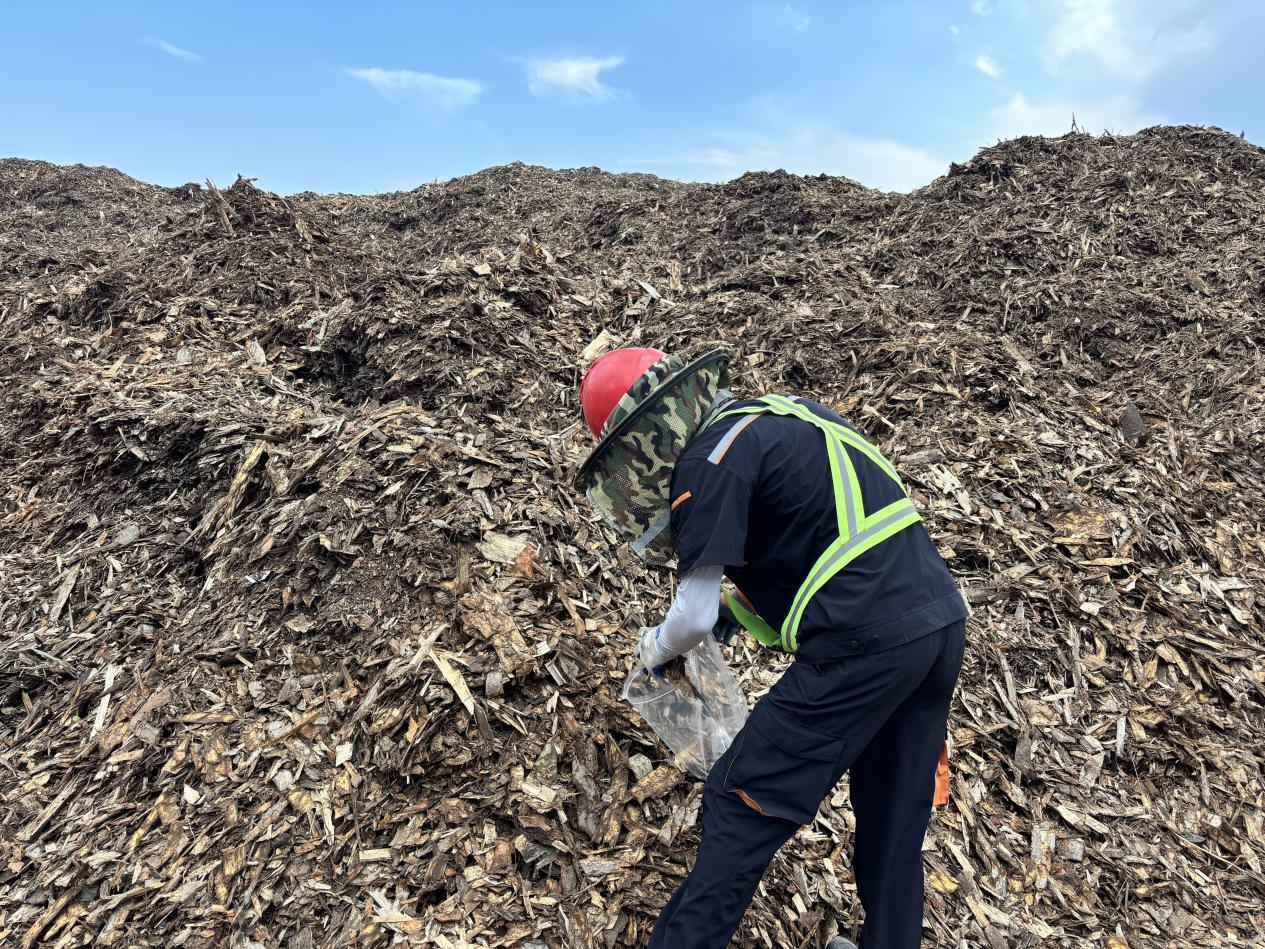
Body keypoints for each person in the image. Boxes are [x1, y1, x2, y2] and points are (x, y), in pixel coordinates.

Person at [575, 347, 966, 949]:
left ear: (642, 439)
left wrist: (653, 647)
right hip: (938, 628)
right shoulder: (783, 419)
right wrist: (744, 609)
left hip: (864, 646)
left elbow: (692, 615)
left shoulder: (711, 460)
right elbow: (831, 540)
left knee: (740, 798)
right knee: (893, 816)